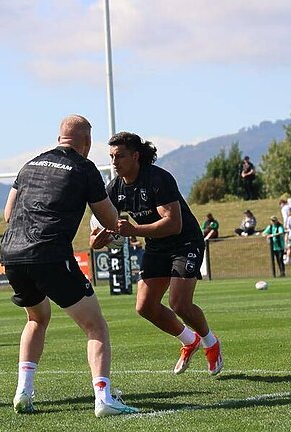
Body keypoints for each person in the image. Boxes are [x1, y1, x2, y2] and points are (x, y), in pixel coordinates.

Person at [0, 115, 138, 418]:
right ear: (87, 142)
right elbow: (108, 218)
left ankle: (24, 390)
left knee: (36, 318)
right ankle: (103, 398)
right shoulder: (84, 168)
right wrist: (116, 232)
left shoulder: (30, 164)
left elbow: (8, 214)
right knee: (95, 325)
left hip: (12, 254)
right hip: (49, 254)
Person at [91, 131, 223, 378]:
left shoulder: (158, 179)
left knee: (179, 304)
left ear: (136, 156)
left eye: (119, 156)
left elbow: (174, 224)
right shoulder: (115, 187)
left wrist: (134, 230)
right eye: (111, 157)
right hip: (156, 246)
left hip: (185, 243)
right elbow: (99, 225)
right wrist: (98, 241)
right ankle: (188, 340)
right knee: (145, 306)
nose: (114, 162)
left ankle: (210, 342)